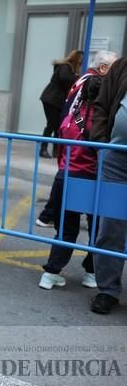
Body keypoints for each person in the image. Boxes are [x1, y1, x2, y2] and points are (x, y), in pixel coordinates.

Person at [37, 66, 106, 290]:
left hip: (66, 176)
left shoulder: (69, 117)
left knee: (66, 228)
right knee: (96, 228)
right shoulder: (102, 121)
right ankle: (91, 273)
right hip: (92, 179)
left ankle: (51, 273)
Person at [35, 50, 117, 227]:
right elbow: (78, 111)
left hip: (72, 142)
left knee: (65, 180)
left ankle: (48, 215)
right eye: (114, 68)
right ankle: (49, 216)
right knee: (74, 190)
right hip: (79, 145)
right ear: (103, 68)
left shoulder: (85, 78)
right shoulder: (92, 82)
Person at [89, 57, 127, 314]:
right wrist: (102, 144)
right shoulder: (122, 66)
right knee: (110, 227)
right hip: (116, 158)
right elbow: (102, 105)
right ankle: (108, 290)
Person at [38, 49, 83, 158]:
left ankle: (55, 150)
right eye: (81, 61)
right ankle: (45, 149)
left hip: (54, 100)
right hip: (52, 99)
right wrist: (78, 78)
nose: (81, 63)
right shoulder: (65, 67)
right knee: (53, 125)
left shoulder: (66, 67)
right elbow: (64, 78)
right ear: (77, 59)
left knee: (55, 124)